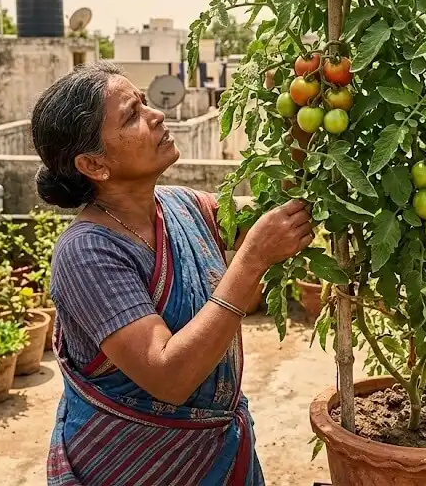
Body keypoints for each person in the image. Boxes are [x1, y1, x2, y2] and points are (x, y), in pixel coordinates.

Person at [30, 61, 313, 486]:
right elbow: (169, 376)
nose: (156, 114)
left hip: (214, 453)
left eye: (144, 102)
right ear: (94, 163)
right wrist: (252, 260)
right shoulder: (87, 253)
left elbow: (283, 214)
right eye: (132, 115)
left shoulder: (182, 206)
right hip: (132, 466)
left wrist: (299, 125)